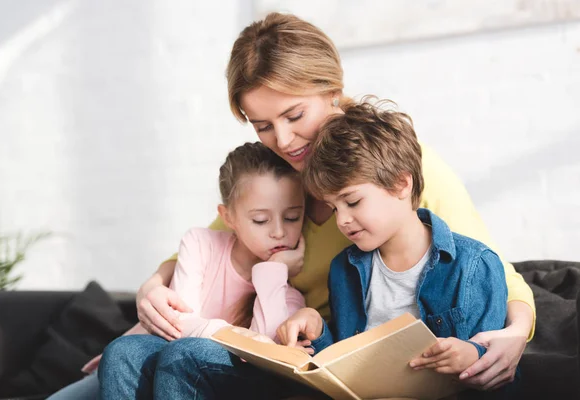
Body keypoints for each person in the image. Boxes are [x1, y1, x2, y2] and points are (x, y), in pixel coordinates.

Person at [50, 12, 535, 399]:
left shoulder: (391, 167)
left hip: (307, 359)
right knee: (113, 362)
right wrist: (152, 287)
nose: (282, 139)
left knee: (179, 361)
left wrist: (513, 335)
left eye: (294, 114)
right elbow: (222, 240)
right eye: (261, 125)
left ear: (332, 90)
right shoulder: (280, 174)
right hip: (253, 339)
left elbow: (492, 269)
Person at [277, 100, 518, 399]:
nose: (342, 220)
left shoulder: (473, 265)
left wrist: (472, 355)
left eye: (352, 202)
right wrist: (316, 328)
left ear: (401, 184)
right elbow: (342, 366)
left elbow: (496, 365)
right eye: (333, 207)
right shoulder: (345, 270)